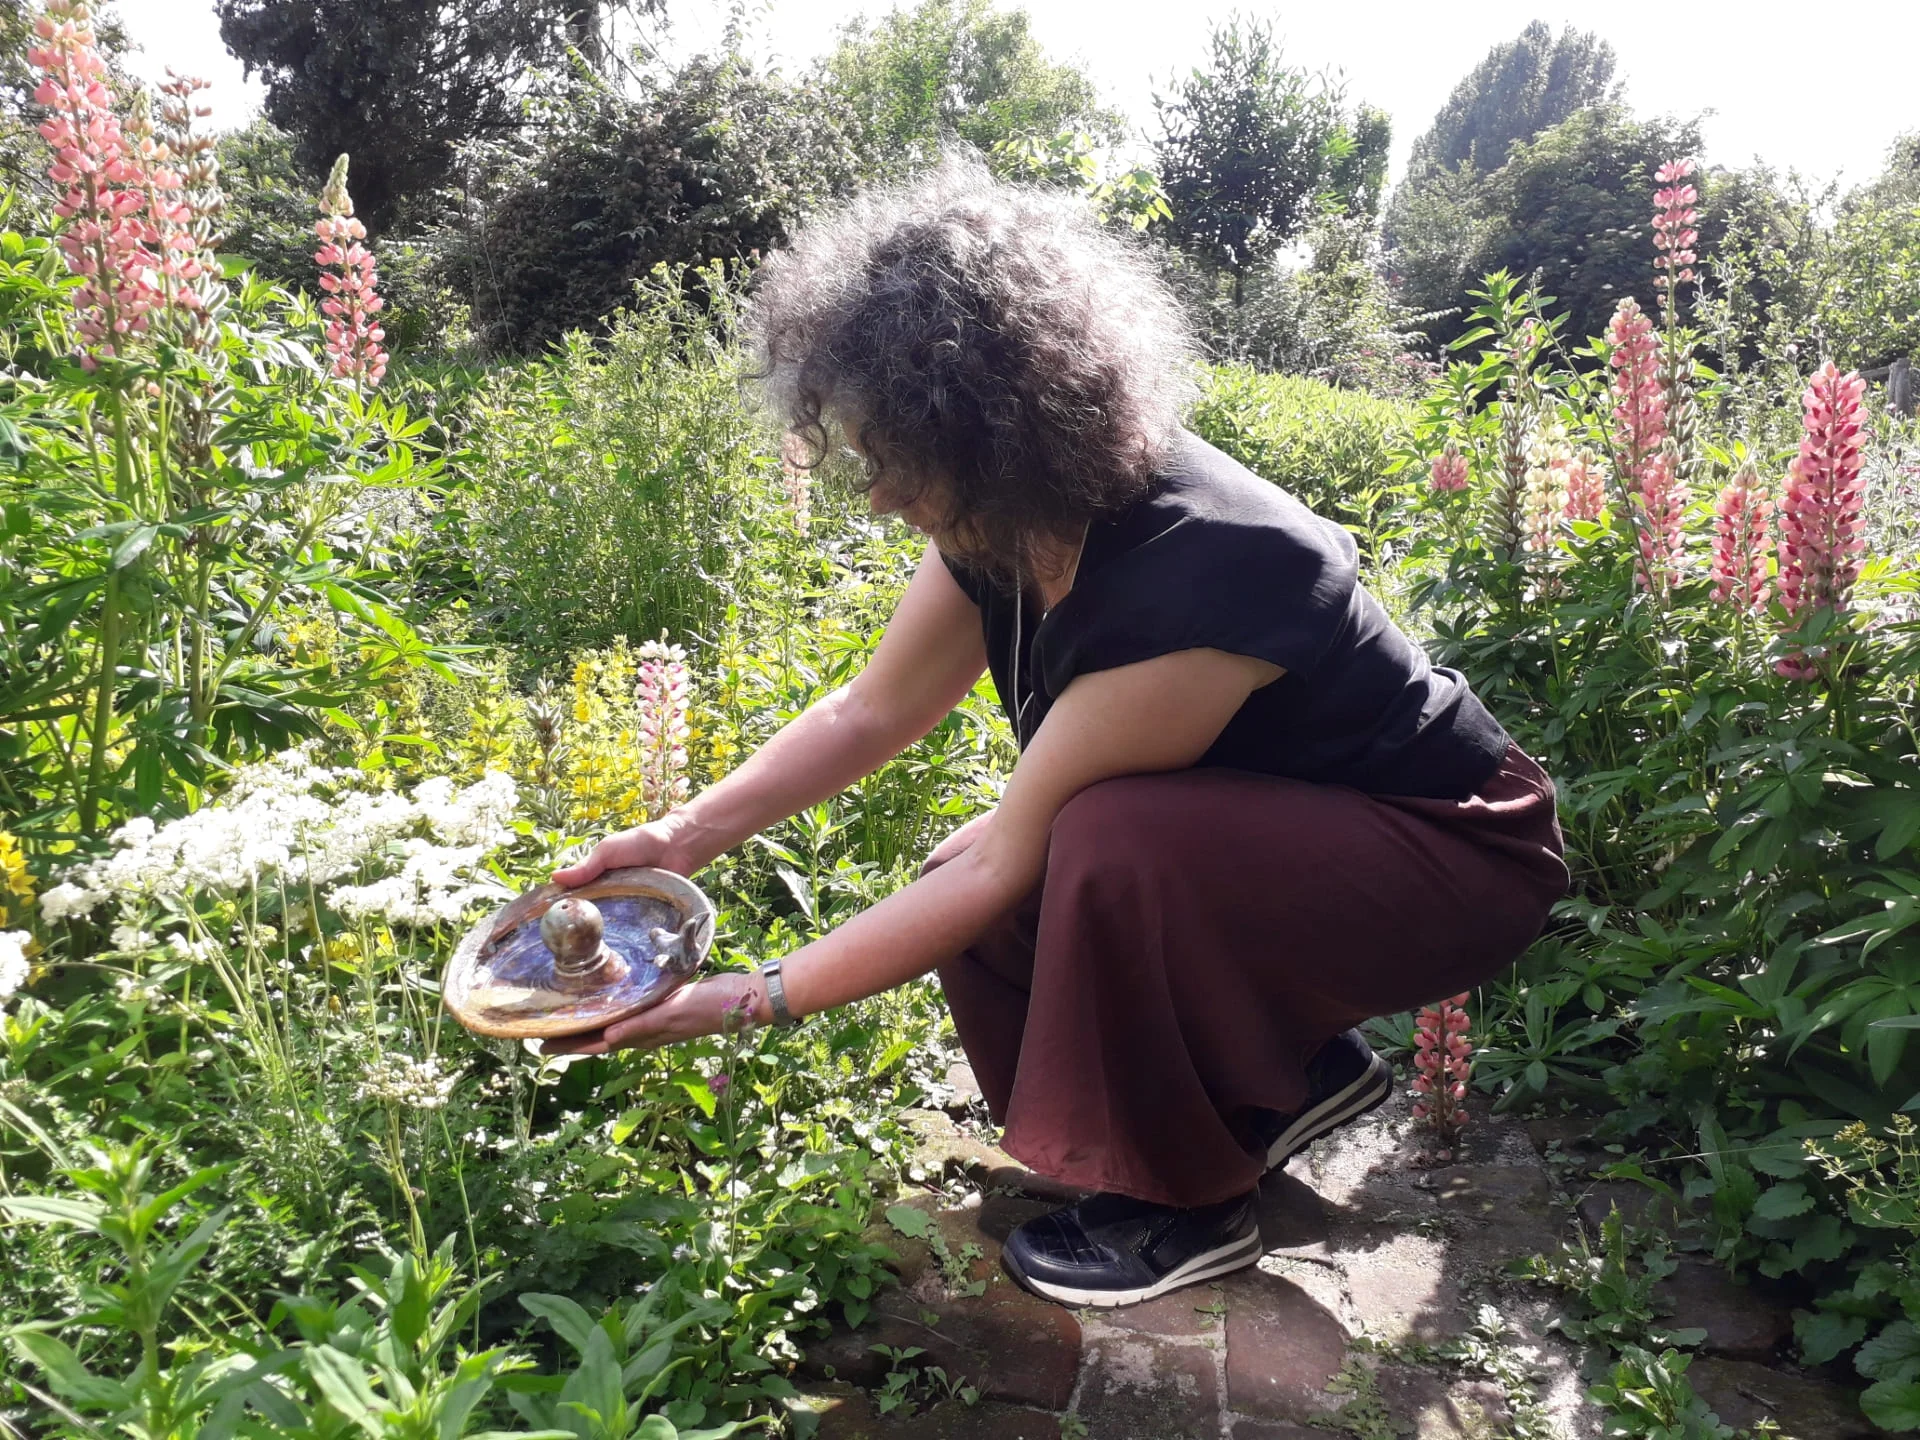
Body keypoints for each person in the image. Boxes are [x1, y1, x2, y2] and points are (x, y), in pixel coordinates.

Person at [542, 158, 1568, 1309]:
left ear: (991, 426)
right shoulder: (1007, 513)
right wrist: (678, 838)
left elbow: (1007, 856)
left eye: (898, 455)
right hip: (1293, 829)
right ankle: (1283, 1078)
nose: (878, 492)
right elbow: (871, 709)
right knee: (1021, 874)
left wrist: (738, 999)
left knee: (1101, 850)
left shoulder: (1217, 569)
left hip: (1454, 854)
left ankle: (1185, 1205)